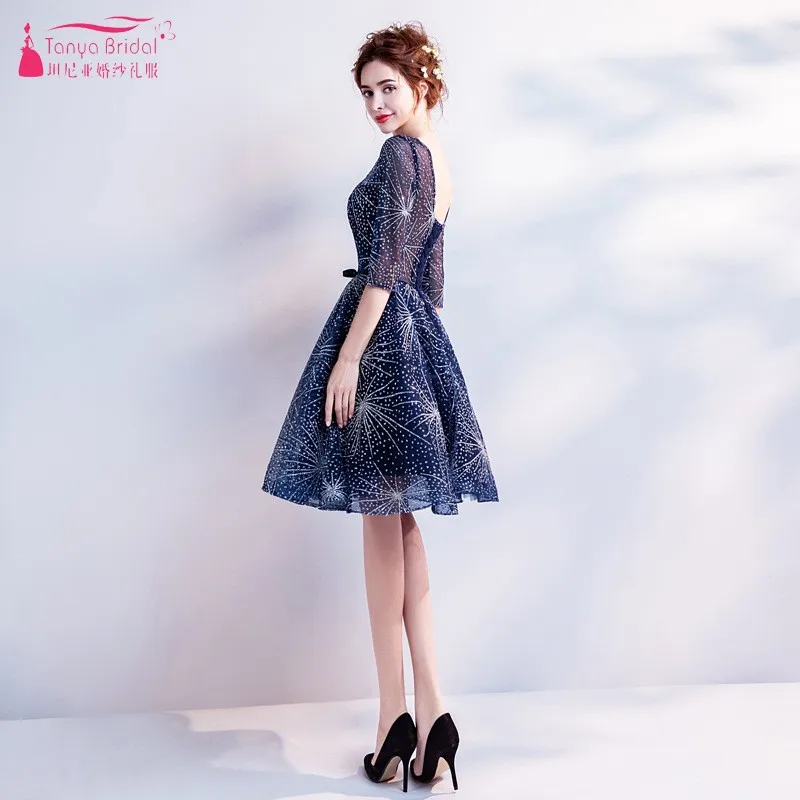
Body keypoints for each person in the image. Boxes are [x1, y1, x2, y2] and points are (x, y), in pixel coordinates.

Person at [262, 20, 499, 792]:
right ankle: (433, 714)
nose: (376, 105)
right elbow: (431, 286)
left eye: (387, 88)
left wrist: (352, 356)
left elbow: (390, 268)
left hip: (381, 345)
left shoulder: (401, 155)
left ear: (424, 82)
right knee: (400, 523)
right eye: (366, 93)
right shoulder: (439, 165)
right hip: (415, 340)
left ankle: (394, 713)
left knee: (380, 520)